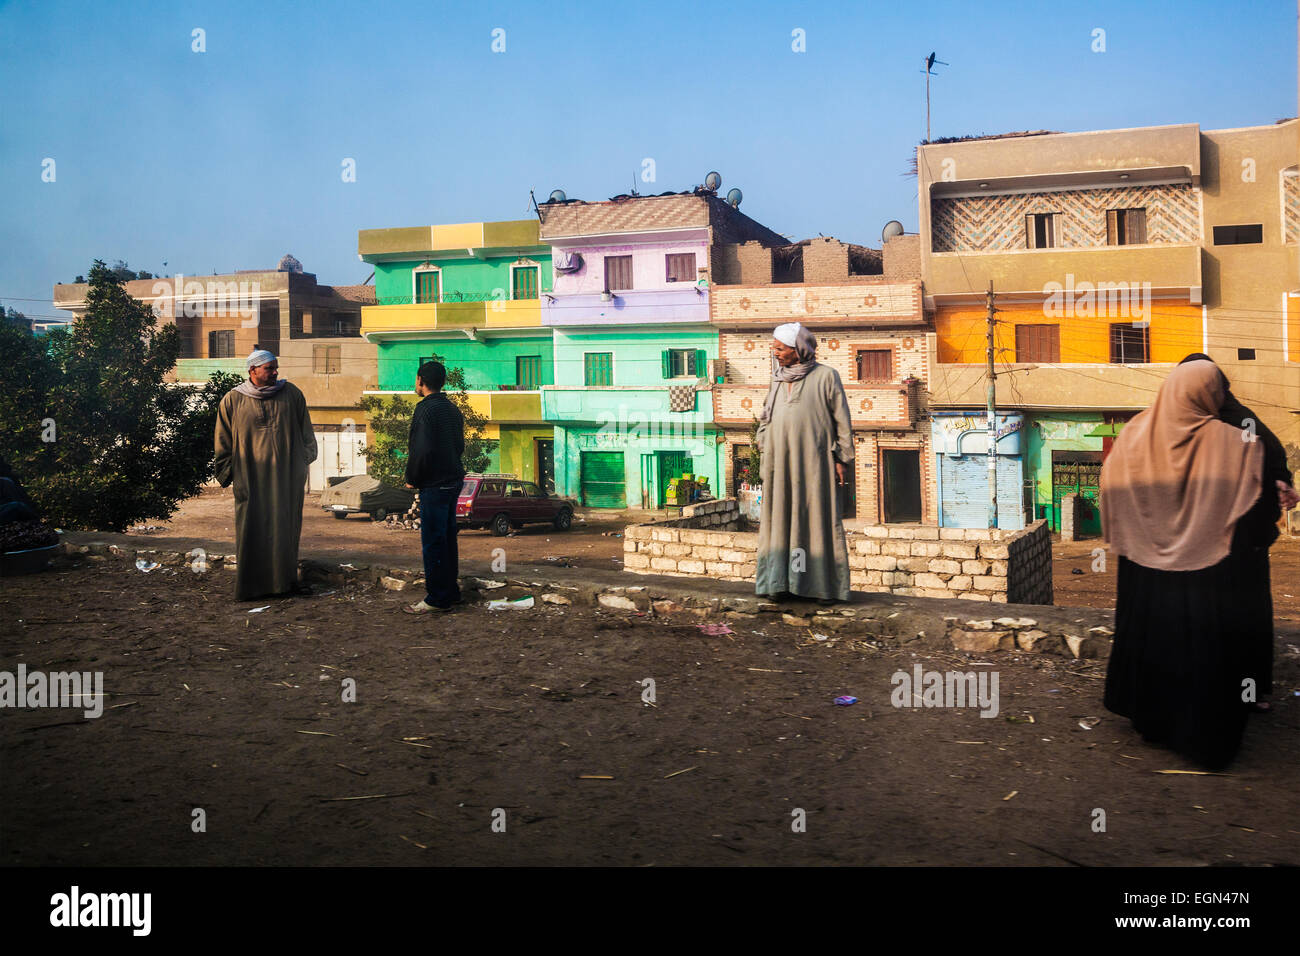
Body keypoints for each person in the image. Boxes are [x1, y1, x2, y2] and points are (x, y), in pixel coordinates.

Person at [1101, 360, 1272, 769]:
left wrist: (1142, 532)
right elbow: (1255, 514)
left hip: (1143, 570)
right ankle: (1202, 739)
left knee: (1154, 644)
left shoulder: (1134, 432)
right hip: (1209, 574)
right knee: (1204, 652)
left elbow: (1111, 488)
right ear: (1212, 394)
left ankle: (1151, 723)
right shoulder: (1239, 443)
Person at [1175, 353, 1297, 712]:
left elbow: (1267, 462)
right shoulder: (1234, 418)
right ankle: (1247, 693)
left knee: (1228, 616)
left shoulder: (1231, 421)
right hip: (1236, 541)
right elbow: (1273, 463)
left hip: (1230, 541)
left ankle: (1234, 693)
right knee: (1243, 615)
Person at [754, 322, 854, 604]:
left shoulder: (826, 376)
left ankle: (821, 587)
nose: (775, 352)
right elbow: (767, 413)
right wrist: (763, 439)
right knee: (779, 520)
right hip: (779, 460)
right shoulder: (776, 377)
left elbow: (842, 421)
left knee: (815, 521)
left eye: (780, 348)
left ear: (798, 350)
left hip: (814, 460)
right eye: (774, 347)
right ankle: (779, 583)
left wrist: (841, 458)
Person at [213, 350, 317, 601]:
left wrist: (302, 461)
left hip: (286, 480)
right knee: (251, 528)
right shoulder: (233, 400)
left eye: (275, 367)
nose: (275, 372)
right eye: (269, 368)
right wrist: (229, 472)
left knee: (285, 529)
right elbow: (222, 440)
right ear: (253, 371)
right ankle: (251, 587)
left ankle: (285, 584)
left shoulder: (292, 395)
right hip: (250, 480)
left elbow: (306, 434)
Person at [403, 361, 466, 614]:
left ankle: (437, 598)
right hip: (453, 480)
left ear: (420, 380)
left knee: (433, 542)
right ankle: (450, 592)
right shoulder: (452, 409)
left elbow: (422, 449)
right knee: (448, 539)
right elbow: (459, 446)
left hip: (435, 483)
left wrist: (412, 477)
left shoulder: (425, 410)